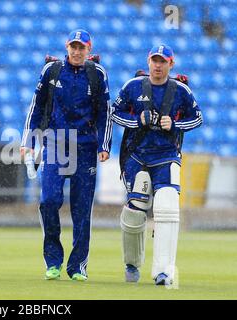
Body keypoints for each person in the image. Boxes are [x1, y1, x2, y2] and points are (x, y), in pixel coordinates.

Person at [21, 29, 112, 281]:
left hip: (85, 147)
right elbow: (36, 106)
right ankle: (53, 261)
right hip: (56, 144)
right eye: (73, 46)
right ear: (67, 47)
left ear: (88, 50)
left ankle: (77, 266)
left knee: (82, 209)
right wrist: (27, 140)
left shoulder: (97, 74)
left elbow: (105, 112)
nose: (76, 51)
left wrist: (104, 145)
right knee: (49, 201)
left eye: (81, 47)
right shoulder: (51, 71)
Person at [111, 44, 203, 285]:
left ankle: (163, 271)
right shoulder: (132, 86)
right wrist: (137, 119)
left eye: (163, 61)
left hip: (166, 155)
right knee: (135, 209)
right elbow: (114, 113)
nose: (158, 65)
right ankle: (132, 264)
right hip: (138, 155)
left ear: (171, 64)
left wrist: (173, 124)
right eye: (155, 60)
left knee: (167, 205)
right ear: (148, 61)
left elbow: (197, 118)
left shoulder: (181, 90)